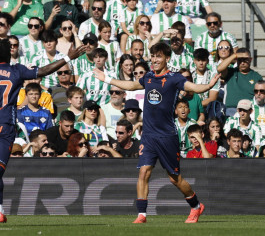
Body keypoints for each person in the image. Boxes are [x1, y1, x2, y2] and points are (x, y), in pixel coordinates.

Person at [0, 37, 85, 223]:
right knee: (0, 166)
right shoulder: (16, 70)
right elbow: (44, 70)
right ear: (9, 52)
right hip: (5, 122)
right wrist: (68, 58)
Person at [93, 42, 221, 223]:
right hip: (149, 135)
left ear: (167, 58)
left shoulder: (174, 78)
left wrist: (208, 86)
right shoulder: (149, 76)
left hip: (167, 135)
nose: (154, 60)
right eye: (152, 56)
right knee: (144, 172)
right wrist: (107, 79)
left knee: (174, 179)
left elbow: (192, 87)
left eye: (158, 56)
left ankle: (196, 205)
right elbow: (130, 86)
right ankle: (142, 215)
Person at [217, 48, 263, 117]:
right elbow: (219, 68)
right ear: (236, 60)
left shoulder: (256, 76)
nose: (242, 62)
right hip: (231, 109)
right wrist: (235, 55)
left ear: (250, 60)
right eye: (240, 59)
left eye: (245, 59)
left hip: (249, 110)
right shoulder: (230, 72)